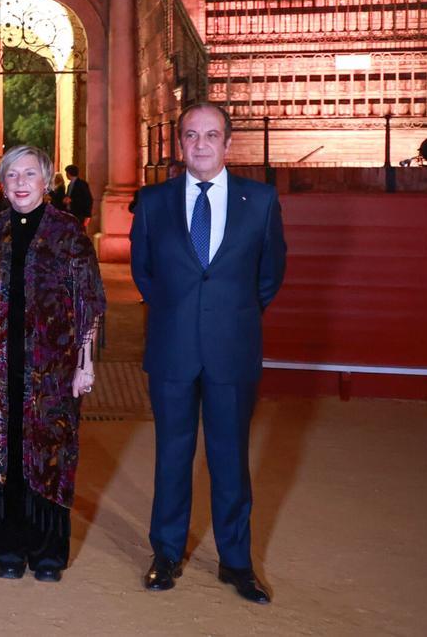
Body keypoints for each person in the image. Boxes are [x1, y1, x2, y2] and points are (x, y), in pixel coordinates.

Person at [130, 102, 287, 604]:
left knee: (230, 458)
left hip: (232, 350)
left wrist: (228, 313)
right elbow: (144, 272)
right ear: (180, 144)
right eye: (191, 135)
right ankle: (166, 553)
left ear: (228, 143)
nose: (200, 144)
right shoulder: (153, 201)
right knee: (172, 455)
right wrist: (181, 312)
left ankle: (236, 562)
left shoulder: (260, 201)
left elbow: (269, 276)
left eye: (211, 135)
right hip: (172, 349)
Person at [0, 145, 105, 582]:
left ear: (47, 180)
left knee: (52, 451)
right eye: (11, 174)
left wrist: (85, 363)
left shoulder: (68, 231)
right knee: (2, 452)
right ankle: (9, 549)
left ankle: (48, 553)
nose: (20, 182)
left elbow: (88, 300)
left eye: (29, 174)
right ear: (2, 181)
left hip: (53, 365)